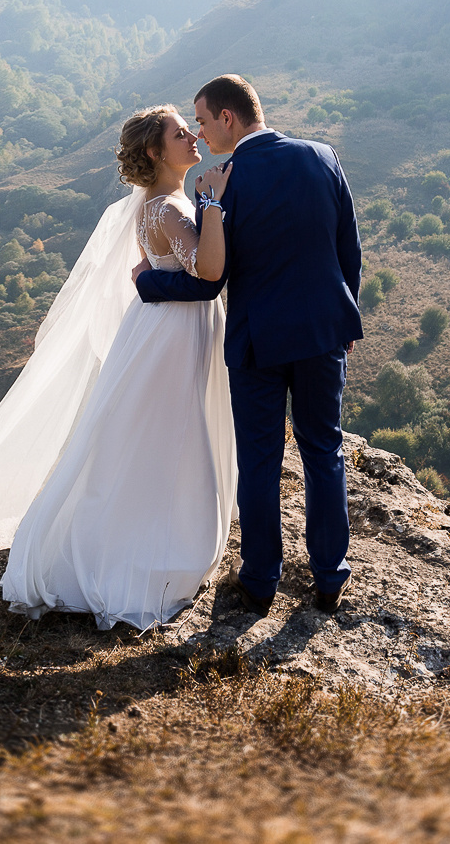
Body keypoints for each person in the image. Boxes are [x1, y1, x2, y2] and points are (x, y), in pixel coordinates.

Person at [0, 105, 236, 630]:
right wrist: (212, 201)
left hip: (161, 329)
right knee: (168, 437)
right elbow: (209, 269)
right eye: (179, 132)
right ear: (154, 151)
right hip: (173, 336)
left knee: (145, 438)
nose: (192, 137)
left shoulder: (158, 204)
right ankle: (149, 551)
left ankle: (145, 533)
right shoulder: (168, 208)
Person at [133, 73, 362, 615]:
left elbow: (210, 277)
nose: (202, 134)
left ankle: (260, 582)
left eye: (205, 122)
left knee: (259, 461)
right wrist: (344, 319)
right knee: (323, 450)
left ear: (229, 119)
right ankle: (330, 578)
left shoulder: (218, 181)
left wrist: (148, 281)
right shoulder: (322, 156)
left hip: (258, 341)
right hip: (322, 333)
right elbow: (347, 245)